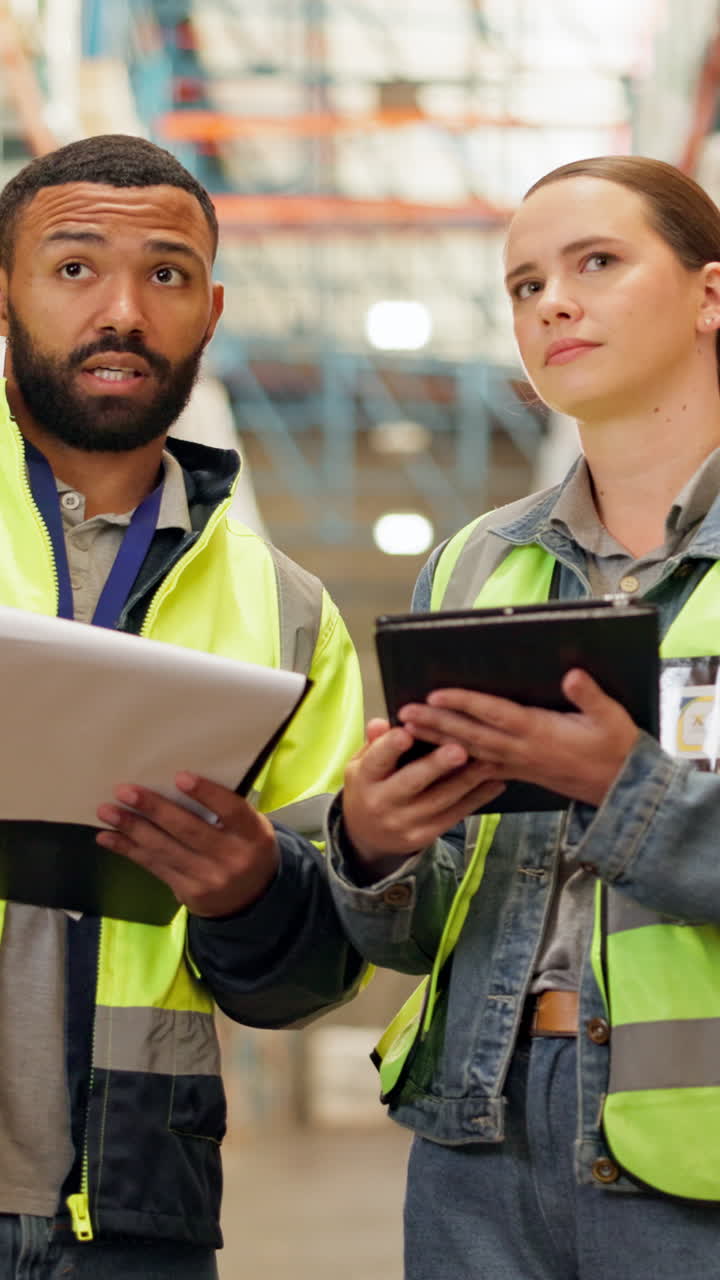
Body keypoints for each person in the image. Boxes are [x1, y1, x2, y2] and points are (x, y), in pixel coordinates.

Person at [328, 154, 720, 1279]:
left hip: (694, 1165)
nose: (552, 301)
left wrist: (627, 791)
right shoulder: (473, 564)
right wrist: (374, 841)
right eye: (523, 284)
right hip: (479, 1139)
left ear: (709, 294)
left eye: (597, 261)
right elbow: (413, 926)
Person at [0, 133, 365, 1278]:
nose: (122, 309)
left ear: (209, 310)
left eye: (164, 274)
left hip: (133, 1213)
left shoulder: (290, 616)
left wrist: (253, 893)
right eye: (72, 268)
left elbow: (319, 965)